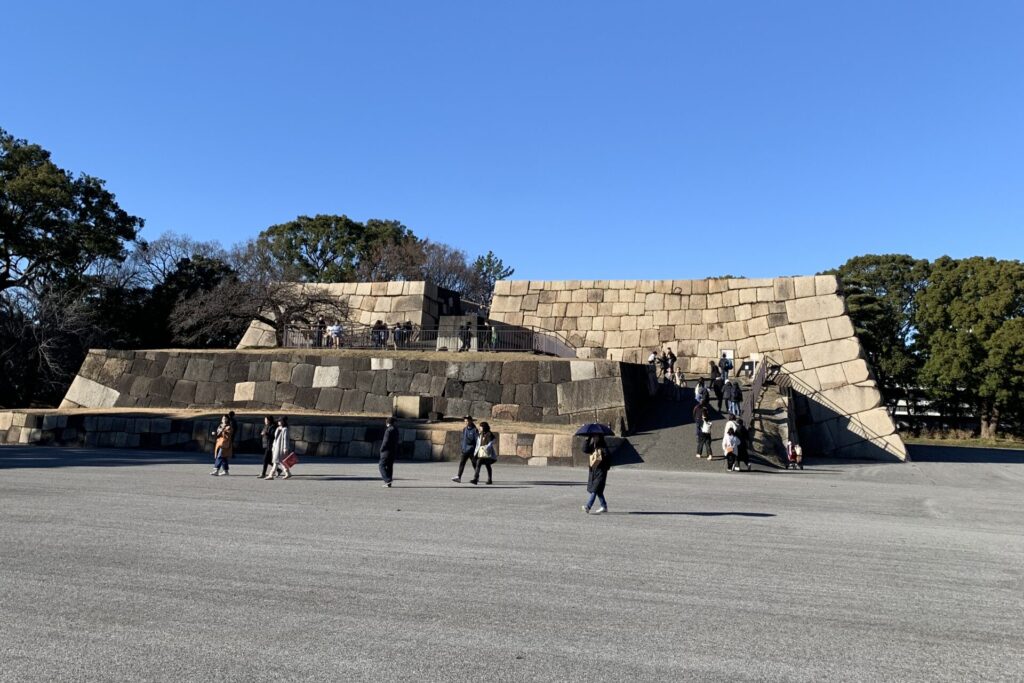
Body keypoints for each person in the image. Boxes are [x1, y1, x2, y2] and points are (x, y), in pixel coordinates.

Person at [582, 434, 611, 514]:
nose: (595, 438)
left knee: (595, 489)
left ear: (600, 437)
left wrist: (601, 457)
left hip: (601, 471)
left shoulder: (604, 447)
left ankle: (588, 506)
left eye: (596, 436)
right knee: (598, 490)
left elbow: (608, 458)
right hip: (593, 471)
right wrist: (587, 439)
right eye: (593, 436)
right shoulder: (593, 445)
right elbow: (585, 449)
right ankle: (604, 506)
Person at [451, 416, 479, 483]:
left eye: (468, 421)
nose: (466, 422)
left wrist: (475, 450)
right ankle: (459, 477)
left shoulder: (475, 430)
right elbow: (463, 439)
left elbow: (477, 440)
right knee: (462, 463)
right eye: (465, 421)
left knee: (474, 464)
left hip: (472, 450)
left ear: (471, 421)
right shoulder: (464, 429)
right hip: (465, 450)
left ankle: (476, 477)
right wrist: (462, 447)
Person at [379, 416, 399, 487]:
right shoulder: (396, 429)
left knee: (381, 465)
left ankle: (387, 480)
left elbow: (385, 441)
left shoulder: (388, 430)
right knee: (390, 466)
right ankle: (389, 483)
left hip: (386, 451)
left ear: (387, 423)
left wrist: (381, 449)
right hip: (393, 451)